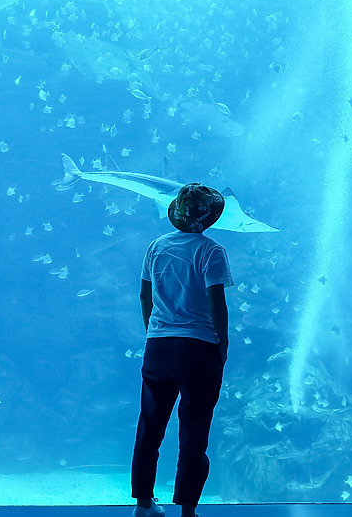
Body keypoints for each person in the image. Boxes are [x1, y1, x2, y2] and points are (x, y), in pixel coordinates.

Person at [130, 183, 233, 517]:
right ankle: (187, 511)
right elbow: (217, 302)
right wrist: (223, 343)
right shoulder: (211, 251)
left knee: (149, 426)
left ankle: (144, 505)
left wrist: (153, 331)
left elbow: (145, 296)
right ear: (209, 217)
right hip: (199, 349)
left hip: (159, 346)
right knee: (194, 429)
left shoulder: (155, 247)